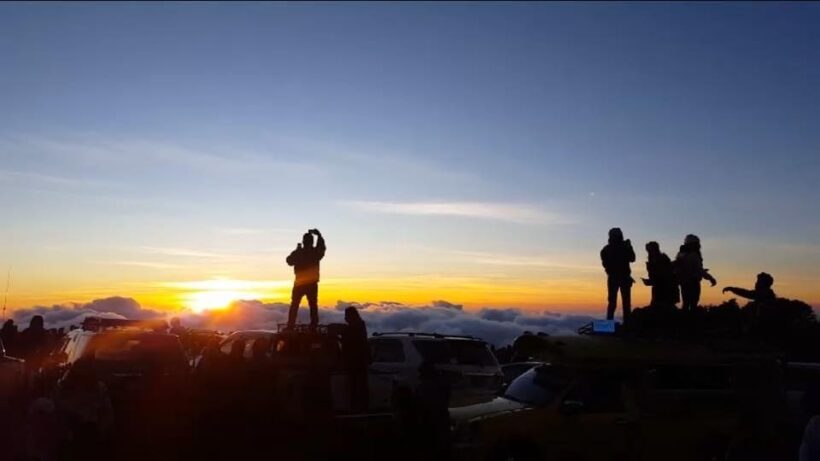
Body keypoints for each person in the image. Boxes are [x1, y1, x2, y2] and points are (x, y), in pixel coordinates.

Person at [286, 229, 326, 330]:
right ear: (312, 242)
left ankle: (290, 325)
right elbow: (321, 249)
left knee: (295, 305)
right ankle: (313, 325)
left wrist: (296, 251)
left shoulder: (300, 252)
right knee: (312, 305)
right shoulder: (314, 252)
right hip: (311, 283)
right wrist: (319, 236)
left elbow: (289, 261)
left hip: (299, 283)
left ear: (303, 242)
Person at [674, 234, 717, 311]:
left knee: (686, 304)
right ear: (694, 244)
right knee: (693, 305)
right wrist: (711, 278)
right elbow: (698, 270)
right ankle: (692, 321)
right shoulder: (694, 255)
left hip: (684, 283)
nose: (699, 246)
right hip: (693, 283)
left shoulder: (680, 255)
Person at [600, 228, 636, 321]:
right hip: (623, 278)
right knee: (625, 303)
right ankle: (627, 326)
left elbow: (605, 264)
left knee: (613, 303)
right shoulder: (623, 246)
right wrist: (628, 247)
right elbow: (632, 258)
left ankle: (610, 325)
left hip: (614, 278)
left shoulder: (605, 250)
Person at [340, 306, 370, 413]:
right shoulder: (360, 326)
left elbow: (350, 342)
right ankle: (361, 408)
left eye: (346, 316)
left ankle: (356, 409)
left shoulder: (355, 328)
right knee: (360, 386)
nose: (345, 318)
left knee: (356, 387)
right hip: (360, 362)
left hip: (356, 362)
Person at [642, 241, 679, 309]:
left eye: (649, 250)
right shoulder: (661, 259)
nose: (648, 252)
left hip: (663, 291)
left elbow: (661, 277)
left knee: (661, 310)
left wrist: (649, 282)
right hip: (664, 291)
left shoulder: (659, 261)